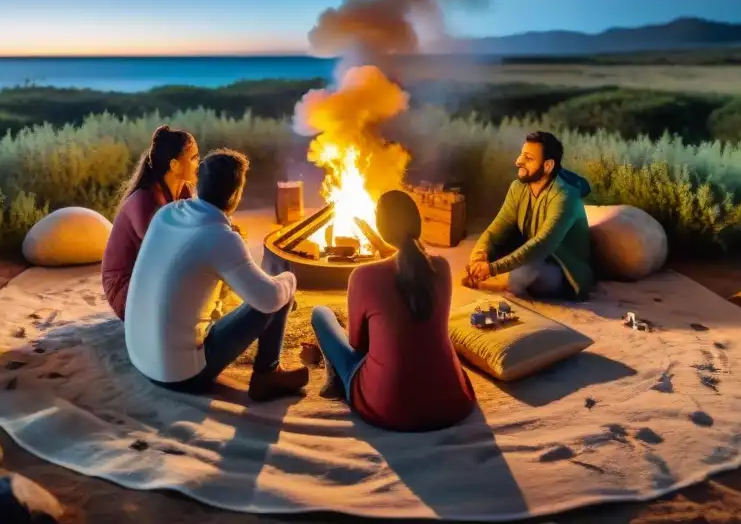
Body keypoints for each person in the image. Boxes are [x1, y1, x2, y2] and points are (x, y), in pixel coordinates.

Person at [124, 148, 309, 402]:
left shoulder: (166, 213)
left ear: (199, 185)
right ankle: (268, 374)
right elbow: (267, 300)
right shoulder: (219, 237)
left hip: (140, 357)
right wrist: (289, 281)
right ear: (236, 194)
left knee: (268, 288)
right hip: (180, 374)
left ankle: (267, 369)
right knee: (278, 291)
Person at [309, 190, 476, 432]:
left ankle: (337, 381)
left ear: (381, 228)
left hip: (390, 408)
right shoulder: (441, 267)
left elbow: (357, 345)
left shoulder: (363, 276)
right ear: (416, 223)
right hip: (451, 401)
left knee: (320, 313)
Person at [465, 130, 594, 301]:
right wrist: (479, 255)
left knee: (525, 274)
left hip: (562, 267)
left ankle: (495, 281)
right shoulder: (518, 188)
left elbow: (541, 244)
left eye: (529, 158)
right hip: (531, 255)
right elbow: (497, 228)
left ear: (548, 166)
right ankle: (493, 276)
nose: (519, 162)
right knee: (490, 252)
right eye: (521, 155)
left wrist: (493, 269)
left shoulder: (564, 195)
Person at [101, 125, 199, 321]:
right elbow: (162, 253)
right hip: (125, 288)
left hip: (148, 275)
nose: (199, 163)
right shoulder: (145, 201)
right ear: (174, 165)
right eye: (194, 158)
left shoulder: (184, 191)